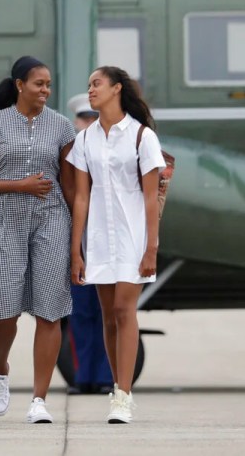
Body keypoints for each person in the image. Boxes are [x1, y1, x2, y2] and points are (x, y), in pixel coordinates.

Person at [0, 56, 76, 424]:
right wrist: (21, 185)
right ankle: (1, 370)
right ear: (19, 85)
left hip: (52, 219)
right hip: (4, 220)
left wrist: (79, 236)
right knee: (3, 309)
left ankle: (39, 401)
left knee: (50, 309)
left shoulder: (62, 127)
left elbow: (70, 185)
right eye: (38, 84)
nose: (45, 90)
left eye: (48, 84)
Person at [68, 66, 166, 423]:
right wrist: (75, 249)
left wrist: (151, 247)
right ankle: (116, 385)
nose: (91, 90)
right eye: (89, 84)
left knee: (125, 312)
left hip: (132, 237)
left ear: (116, 89)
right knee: (109, 318)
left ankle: (122, 396)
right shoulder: (85, 139)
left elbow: (151, 197)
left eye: (97, 84)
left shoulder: (142, 137)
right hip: (98, 239)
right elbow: (81, 197)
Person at [65, 93, 114, 395]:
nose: (89, 124)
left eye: (94, 118)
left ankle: (108, 376)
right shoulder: (69, 153)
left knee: (108, 312)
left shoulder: (114, 150)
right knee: (80, 313)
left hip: (109, 241)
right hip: (79, 242)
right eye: (84, 118)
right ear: (76, 122)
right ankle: (83, 376)